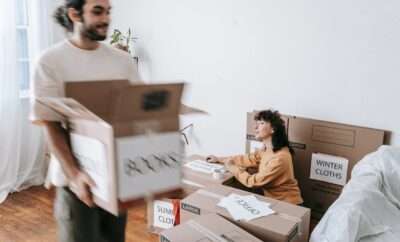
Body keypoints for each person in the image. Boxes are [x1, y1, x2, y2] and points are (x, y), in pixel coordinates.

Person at [30, 0, 140, 241]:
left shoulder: (122, 61)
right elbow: (50, 123)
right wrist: (75, 175)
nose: (106, 19)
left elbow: (134, 115)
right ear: (74, 14)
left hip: (114, 177)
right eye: (97, 11)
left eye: (109, 11)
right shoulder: (50, 61)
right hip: (75, 180)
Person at [207, 110, 303, 205]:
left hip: (288, 204)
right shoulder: (267, 149)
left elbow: (253, 182)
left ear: (273, 129)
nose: (255, 127)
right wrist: (220, 159)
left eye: (261, 123)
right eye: (256, 123)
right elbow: (247, 159)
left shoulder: (280, 158)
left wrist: (232, 168)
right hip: (274, 201)